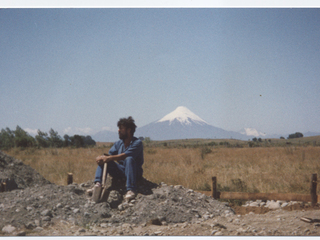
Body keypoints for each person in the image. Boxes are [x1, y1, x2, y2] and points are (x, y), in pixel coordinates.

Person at [88, 116, 144, 201]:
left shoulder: (137, 143)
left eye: (121, 128)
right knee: (104, 161)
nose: (118, 130)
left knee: (129, 159)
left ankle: (131, 189)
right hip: (121, 171)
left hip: (134, 172)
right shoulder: (118, 143)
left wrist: (109, 158)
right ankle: (98, 185)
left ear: (129, 130)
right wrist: (102, 158)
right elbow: (109, 156)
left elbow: (124, 156)